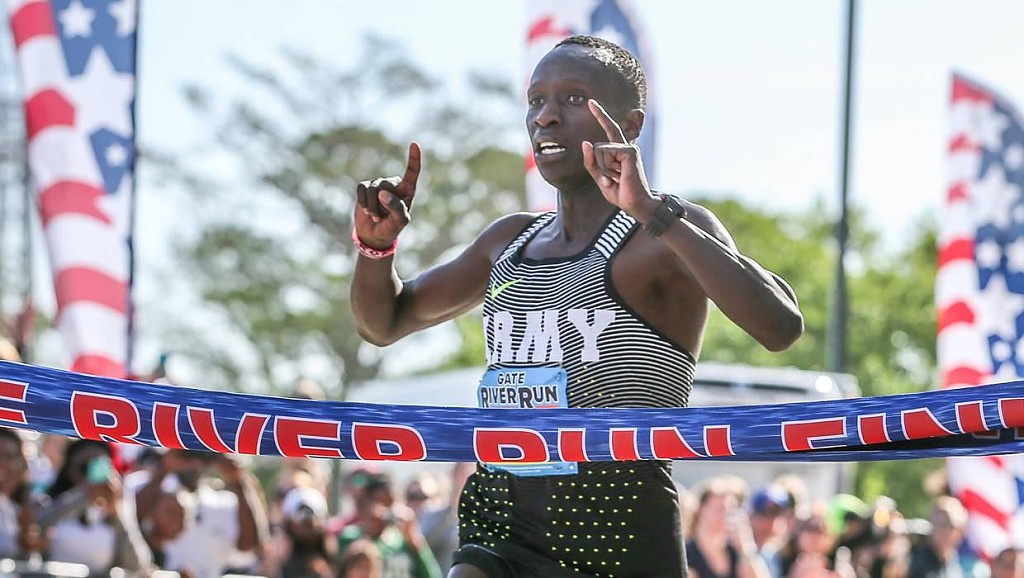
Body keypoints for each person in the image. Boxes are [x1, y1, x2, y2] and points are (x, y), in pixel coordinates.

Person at [350, 34, 803, 578]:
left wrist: (651, 211)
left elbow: (780, 325)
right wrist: (375, 248)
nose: (545, 116)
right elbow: (385, 322)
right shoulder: (508, 242)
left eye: (571, 99)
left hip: (618, 534)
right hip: (502, 525)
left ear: (629, 124)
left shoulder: (663, 234)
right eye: (535, 100)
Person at [131, 448, 269, 578]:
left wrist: (239, 481)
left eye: (203, 454)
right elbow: (130, 519)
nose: (196, 462)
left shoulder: (223, 502)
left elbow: (250, 546)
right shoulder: (146, 486)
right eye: (188, 453)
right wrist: (165, 467)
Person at [35, 438, 151, 574]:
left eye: (99, 467)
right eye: (84, 467)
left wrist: (116, 514)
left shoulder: (115, 509)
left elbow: (137, 564)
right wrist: (81, 497)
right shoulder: (50, 501)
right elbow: (35, 530)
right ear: (68, 469)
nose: (90, 475)